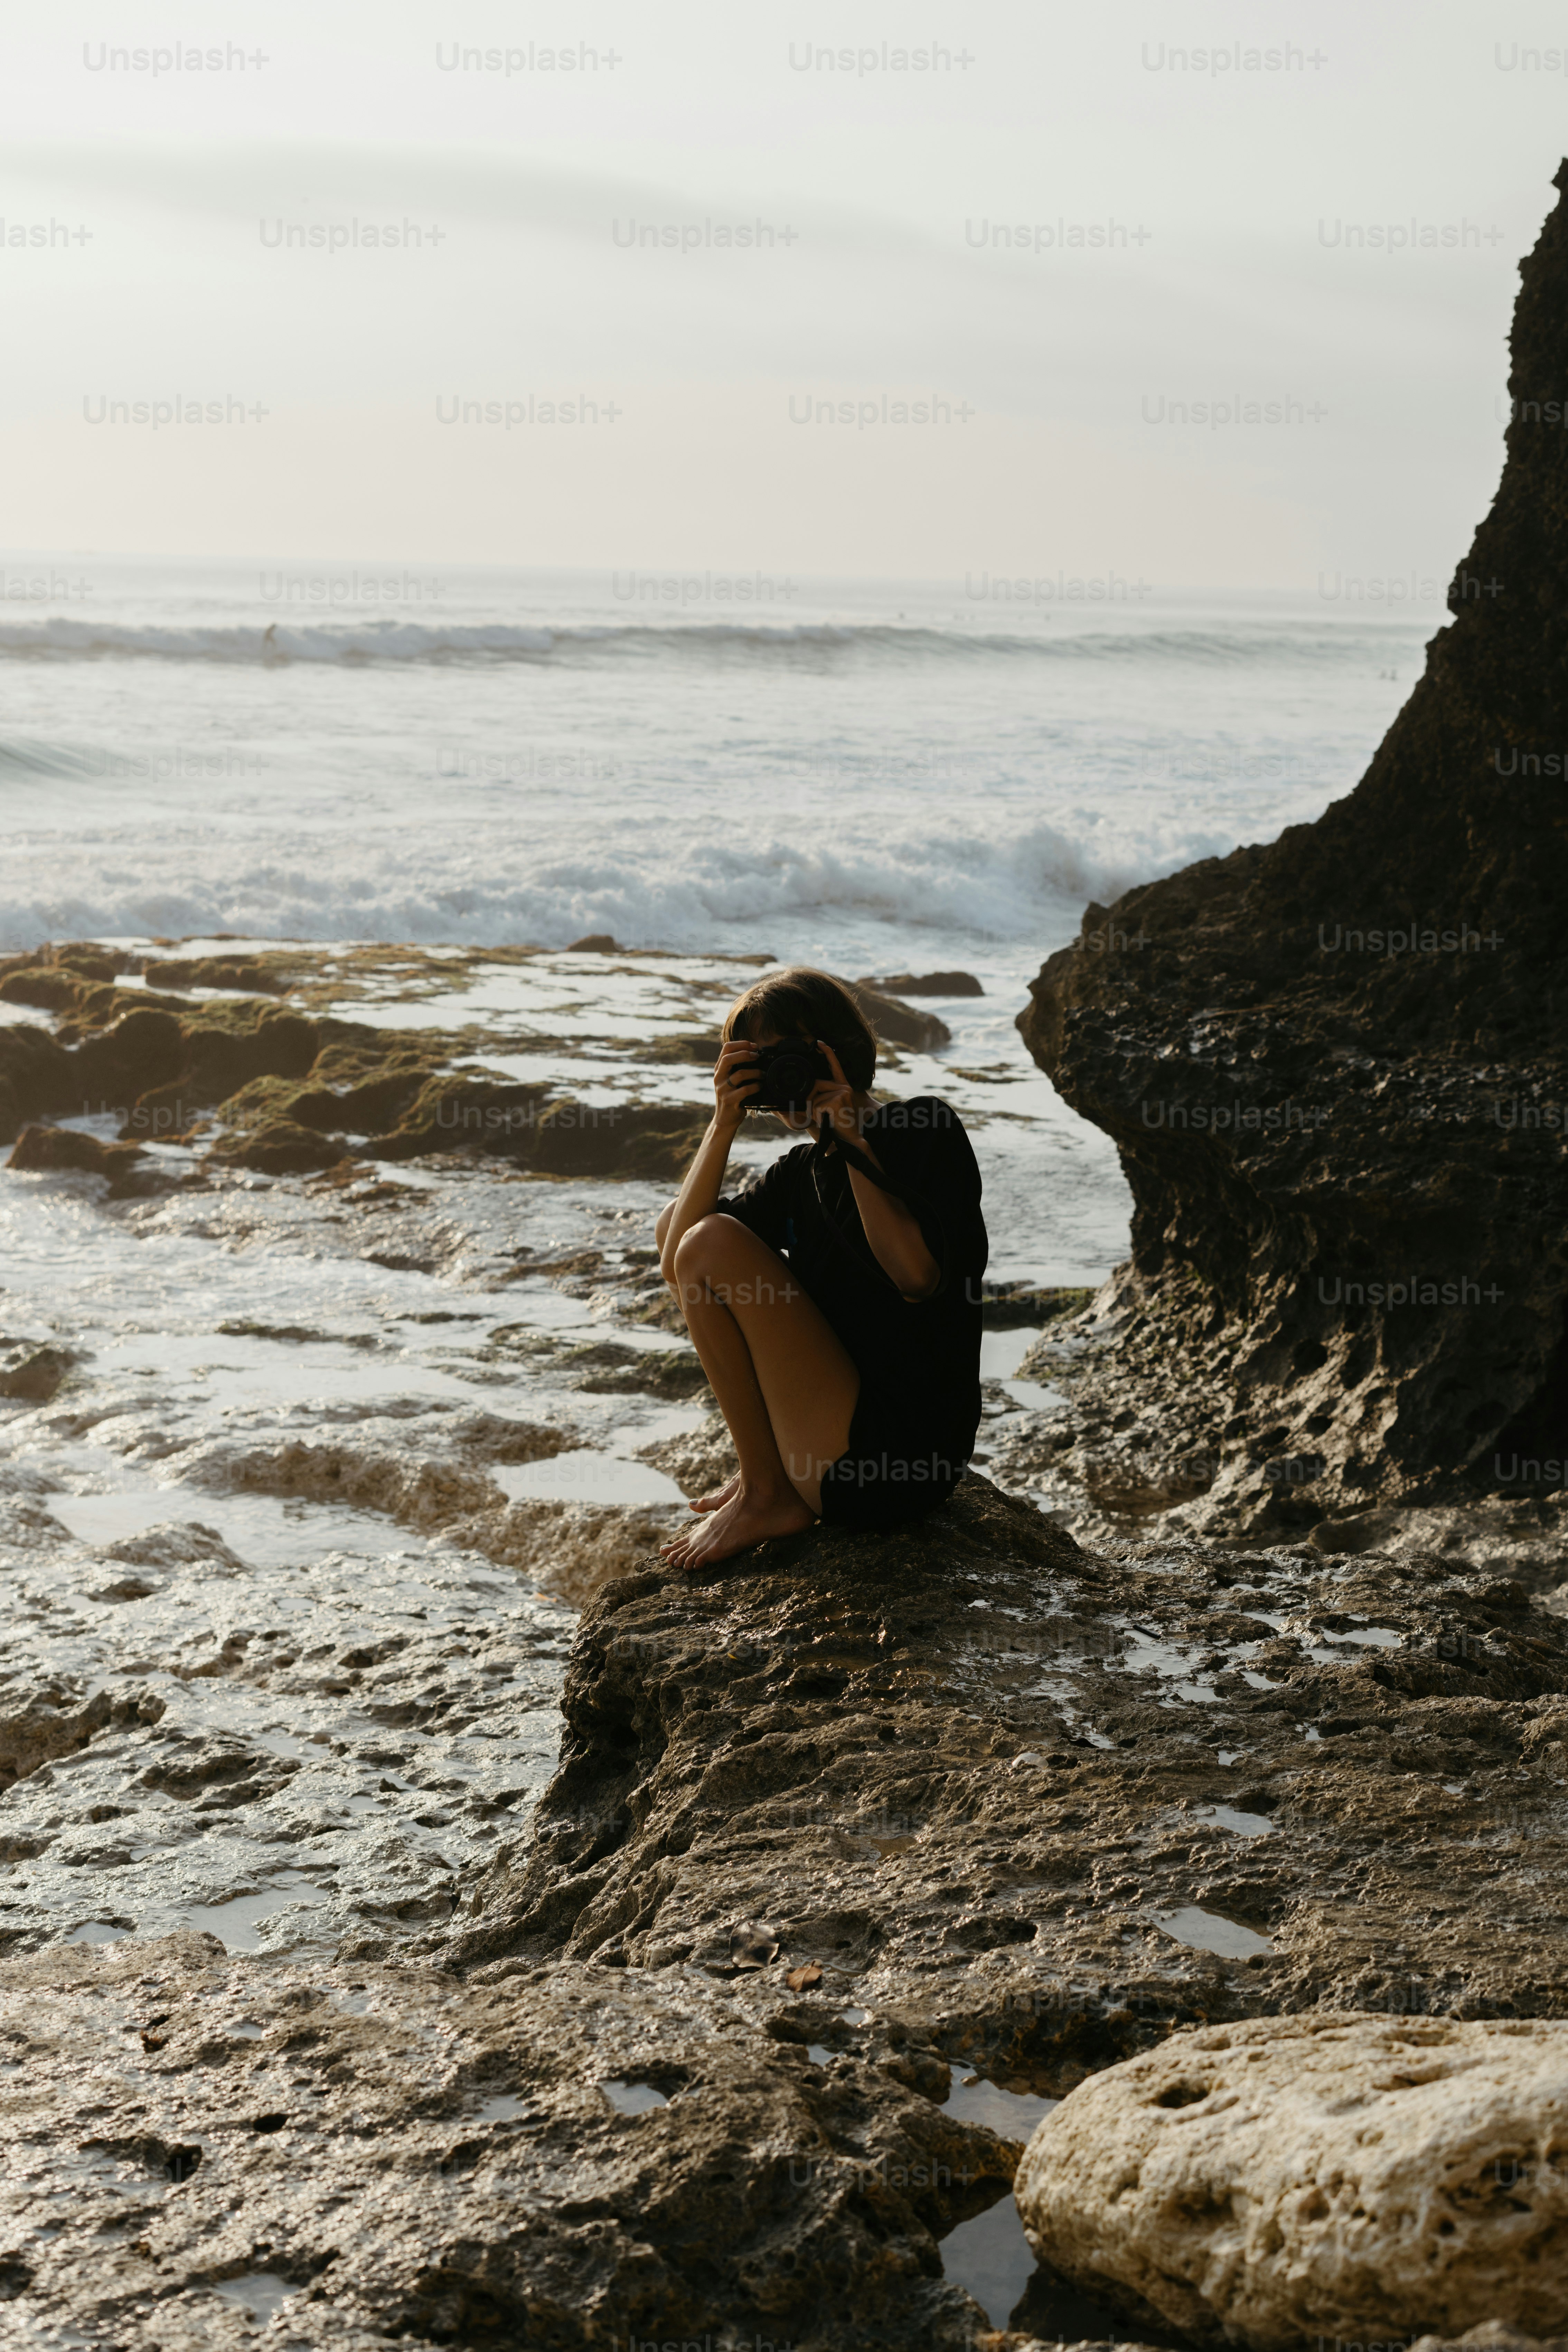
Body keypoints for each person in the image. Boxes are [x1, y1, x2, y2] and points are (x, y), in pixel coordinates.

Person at [654, 966, 987, 1569]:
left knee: (708, 1240)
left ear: (840, 1048)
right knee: (682, 1222)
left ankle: (767, 1494)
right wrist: (722, 1122)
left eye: (791, 1055)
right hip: (833, 1445)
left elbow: (916, 1279)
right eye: (757, 1061)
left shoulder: (923, 1129)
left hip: (889, 1464)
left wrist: (854, 1146)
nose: (780, 1074)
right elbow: (679, 1264)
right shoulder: (800, 1170)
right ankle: (771, 1477)